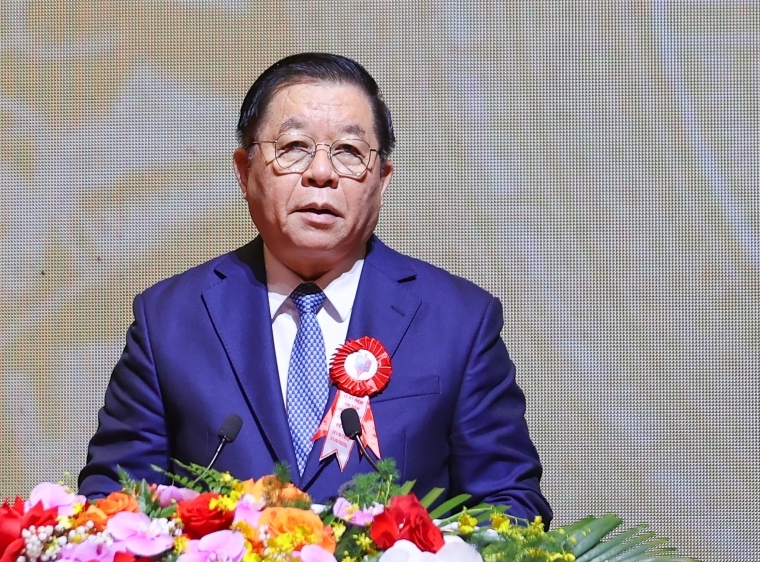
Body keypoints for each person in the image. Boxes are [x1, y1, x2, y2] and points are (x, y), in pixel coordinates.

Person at [78, 52, 552, 523]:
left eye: (348, 151)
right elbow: (113, 501)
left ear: (382, 180)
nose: (321, 173)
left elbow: (509, 504)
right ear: (244, 171)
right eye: (294, 146)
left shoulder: (459, 321)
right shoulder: (170, 319)